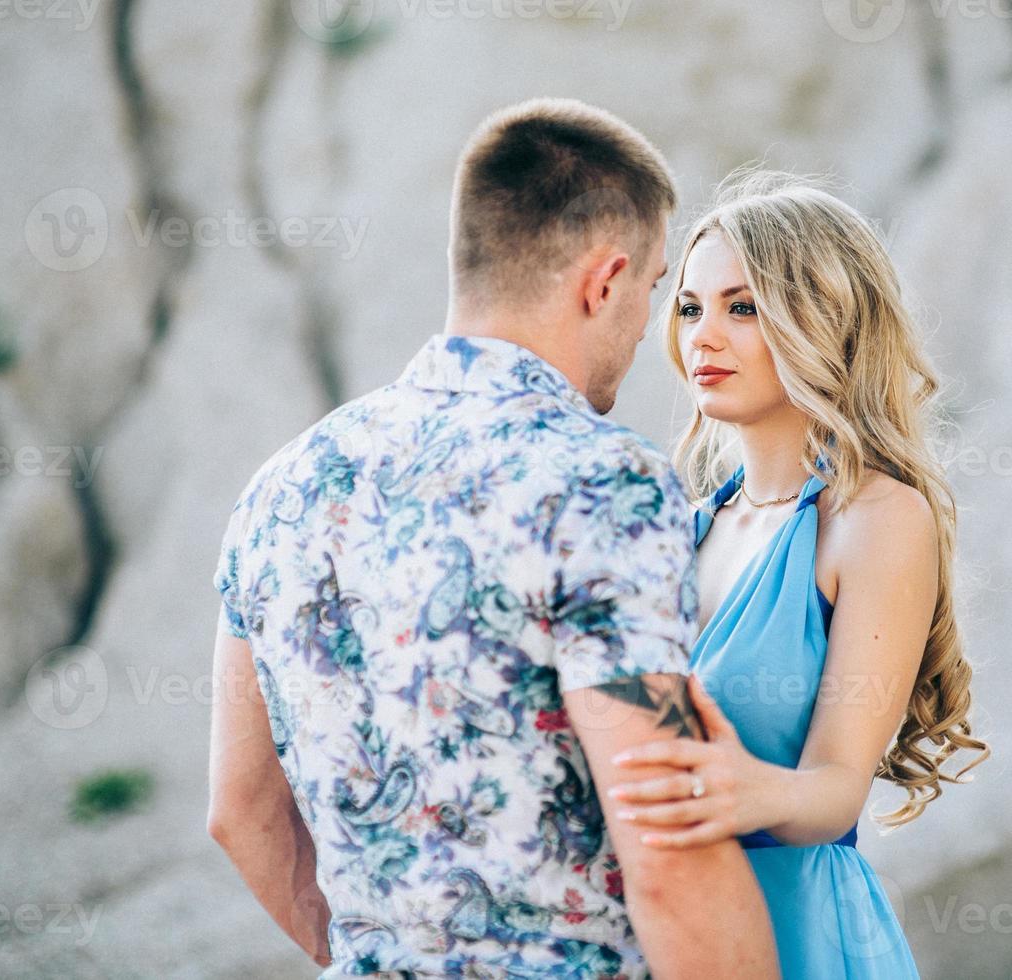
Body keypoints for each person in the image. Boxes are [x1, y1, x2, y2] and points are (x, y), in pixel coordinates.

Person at [205, 98, 779, 979]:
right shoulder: (603, 482)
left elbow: (240, 811)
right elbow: (666, 841)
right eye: (656, 290)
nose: (650, 329)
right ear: (604, 280)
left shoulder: (281, 486)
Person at [608, 169, 991, 978]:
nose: (703, 336)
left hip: (803, 939)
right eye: (690, 307)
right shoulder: (679, 529)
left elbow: (836, 789)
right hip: (670, 942)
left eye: (741, 307)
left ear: (823, 318)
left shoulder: (877, 521)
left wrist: (746, 792)